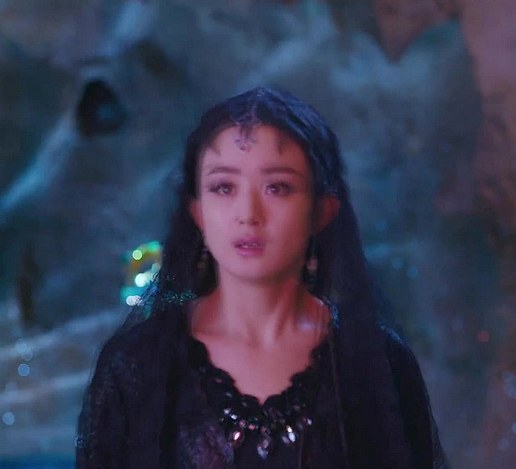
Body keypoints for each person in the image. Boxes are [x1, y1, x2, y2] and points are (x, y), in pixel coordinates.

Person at [76, 87, 448, 468]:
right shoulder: (137, 365)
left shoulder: (377, 362)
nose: (248, 214)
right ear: (197, 211)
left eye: (277, 187)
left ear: (322, 210)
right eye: (224, 187)